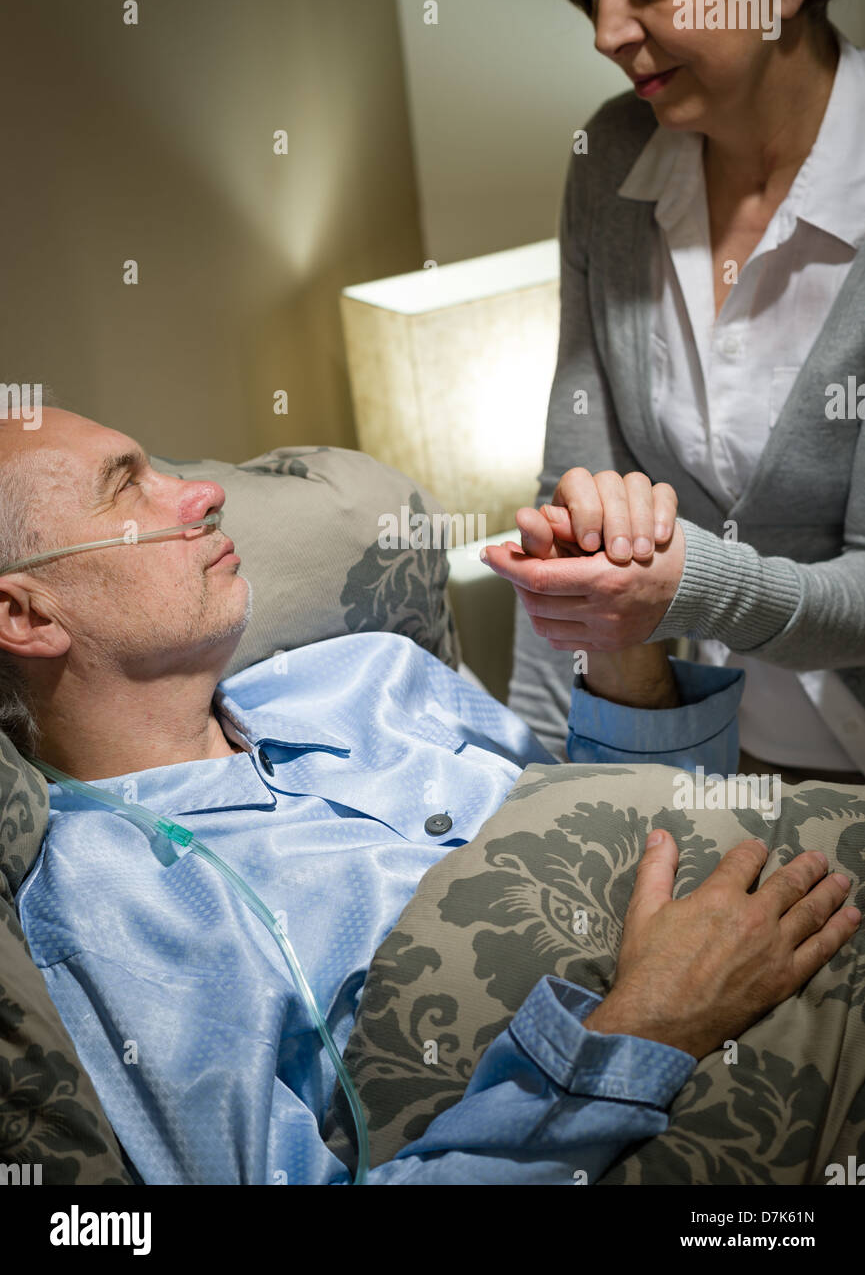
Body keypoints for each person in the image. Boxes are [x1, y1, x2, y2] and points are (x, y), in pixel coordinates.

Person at [0, 409, 859, 1184]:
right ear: (27, 617)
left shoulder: (369, 673)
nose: (204, 494)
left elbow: (648, 819)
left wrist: (619, 645)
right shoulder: (108, 913)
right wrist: (642, 1031)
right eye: (128, 488)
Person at [487, 0, 865, 778]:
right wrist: (538, 781)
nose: (606, 31)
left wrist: (686, 589)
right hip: (704, 749)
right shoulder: (612, 159)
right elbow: (568, 501)